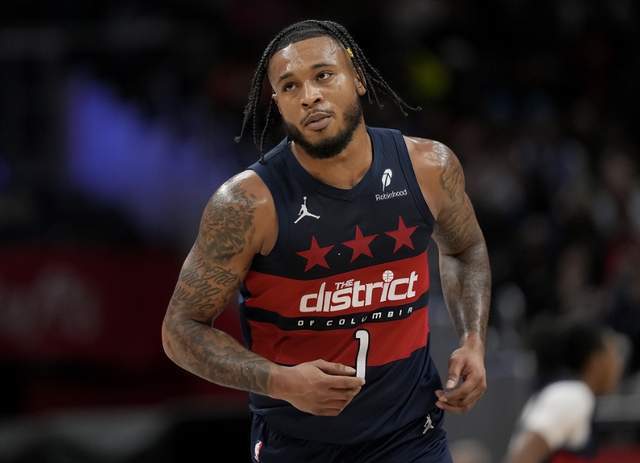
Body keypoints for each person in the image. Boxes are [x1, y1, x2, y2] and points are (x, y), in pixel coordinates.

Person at [161, 19, 491, 462]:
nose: (309, 95)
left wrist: (472, 340)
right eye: (290, 86)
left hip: (413, 436)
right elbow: (180, 330)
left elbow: (465, 248)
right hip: (297, 447)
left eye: (323, 75)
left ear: (358, 79)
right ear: (277, 103)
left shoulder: (429, 167)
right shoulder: (247, 203)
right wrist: (281, 381)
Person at [504, 317, 625, 463]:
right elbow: (520, 459)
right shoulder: (573, 395)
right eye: (614, 355)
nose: (619, 365)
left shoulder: (570, 393)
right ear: (596, 361)